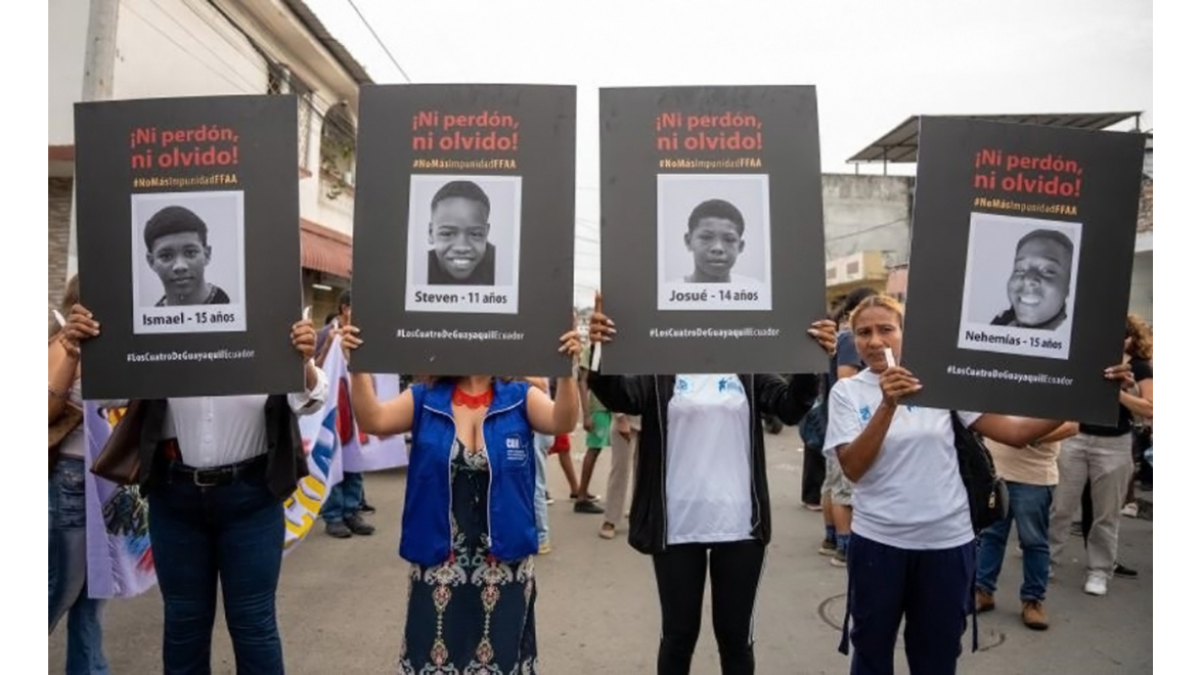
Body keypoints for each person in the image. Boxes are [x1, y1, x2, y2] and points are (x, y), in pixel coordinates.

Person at [823, 294, 1131, 674]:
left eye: (886, 329)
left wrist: (1086, 395)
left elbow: (1014, 433)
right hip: (879, 543)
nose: (874, 341)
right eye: (863, 333)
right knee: (871, 651)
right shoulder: (848, 393)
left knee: (936, 655)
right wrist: (887, 405)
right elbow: (853, 468)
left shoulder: (942, 382)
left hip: (947, 543)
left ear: (907, 333)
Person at [65, 301, 328, 674]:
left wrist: (303, 363)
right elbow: (108, 396)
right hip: (175, 496)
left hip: (251, 495)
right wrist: (90, 348)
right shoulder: (157, 321)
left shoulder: (270, 315)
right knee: (183, 624)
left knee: (254, 624)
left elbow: (310, 402)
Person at [587, 291, 837, 675]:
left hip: (740, 525)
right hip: (676, 523)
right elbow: (619, 392)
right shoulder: (660, 368)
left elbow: (789, 408)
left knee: (735, 640)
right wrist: (601, 349)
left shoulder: (748, 368)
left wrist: (810, 361)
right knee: (678, 637)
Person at [341, 319, 581, 673]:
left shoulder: (519, 397)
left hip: (505, 562)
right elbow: (374, 420)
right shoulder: (425, 398)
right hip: (439, 558)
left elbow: (562, 421)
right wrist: (357, 366)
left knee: (499, 661)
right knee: (434, 660)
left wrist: (568, 370)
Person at [1049, 314, 1152, 596]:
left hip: (1115, 442)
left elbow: (1150, 408)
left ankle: (1099, 570)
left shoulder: (1139, 367)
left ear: (1129, 338)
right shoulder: (1086, 359)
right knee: (1061, 506)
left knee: (1106, 513)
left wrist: (1116, 391)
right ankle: (1047, 560)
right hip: (1076, 436)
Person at [49, 275, 111, 674]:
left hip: (100, 483)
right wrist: (72, 359)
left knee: (90, 597)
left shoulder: (111, 350)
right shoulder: (62, 348)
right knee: (59, 590)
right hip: (71, 480)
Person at [975, 421, 1077, 630]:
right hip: (994, 471)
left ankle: (1033, 600)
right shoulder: (998, 386)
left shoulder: (1055, 388)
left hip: (1034, 477)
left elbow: (1071, 426)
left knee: (1033, 541)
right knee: (990, 535)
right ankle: (982, 590)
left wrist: (1028, 436)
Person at [815, 287, 877, 567]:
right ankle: (844, 547)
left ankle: (830, 539)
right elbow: (845, 378)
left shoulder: (839, 336)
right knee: (843, 489)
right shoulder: (850, 339)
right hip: (847, 422)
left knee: (832, 484)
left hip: (832, 417)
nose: (875, 340)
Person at [314, 290, 375, 538]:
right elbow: (313, 368)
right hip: (332, 408)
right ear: (344, 308)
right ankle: (333, 516)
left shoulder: (365, 336)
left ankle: (352, 511)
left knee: (354, 462)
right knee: (334, 461)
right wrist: (329, 343)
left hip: (355, 407)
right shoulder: (325, 334)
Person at [143, 205, 231, 306]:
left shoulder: (231, 309)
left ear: (206, 254)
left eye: (190, 253)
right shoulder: (152, 317)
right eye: (166, 256)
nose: (180, 266)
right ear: (151, 261)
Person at [990, 229, 1073, 330]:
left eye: (1048, 271)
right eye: (1019, 269)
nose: (1028, 279)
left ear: (1069, 286)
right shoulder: (999, 324)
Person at [426, 180, 496, 285]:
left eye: (475, 234)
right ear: (431, 233)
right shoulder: (421, 267)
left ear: (486, 233)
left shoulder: (500, 267)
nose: (462, 247)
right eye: (447, 234)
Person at [673, 199, 758, 284]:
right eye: (706, 238)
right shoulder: (670, 292)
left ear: (740, 246)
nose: (718, 248)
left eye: (729, 240)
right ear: (688, 242)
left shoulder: (753, 290)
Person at [574, 342, 609, 515]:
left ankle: (583, 490)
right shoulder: (593, 349)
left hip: (611, 405)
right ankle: (581, 498)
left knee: (596, 450)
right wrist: (586, 413)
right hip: (599, 406)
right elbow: (583, 381)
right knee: (593, 449)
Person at [600, 412, 640, 540]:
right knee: (620, 470)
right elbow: (614, 392)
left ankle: (640, 515)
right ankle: (611, 519)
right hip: (626, 420)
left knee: (644, 472)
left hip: (650, 420)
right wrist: (620, 417)